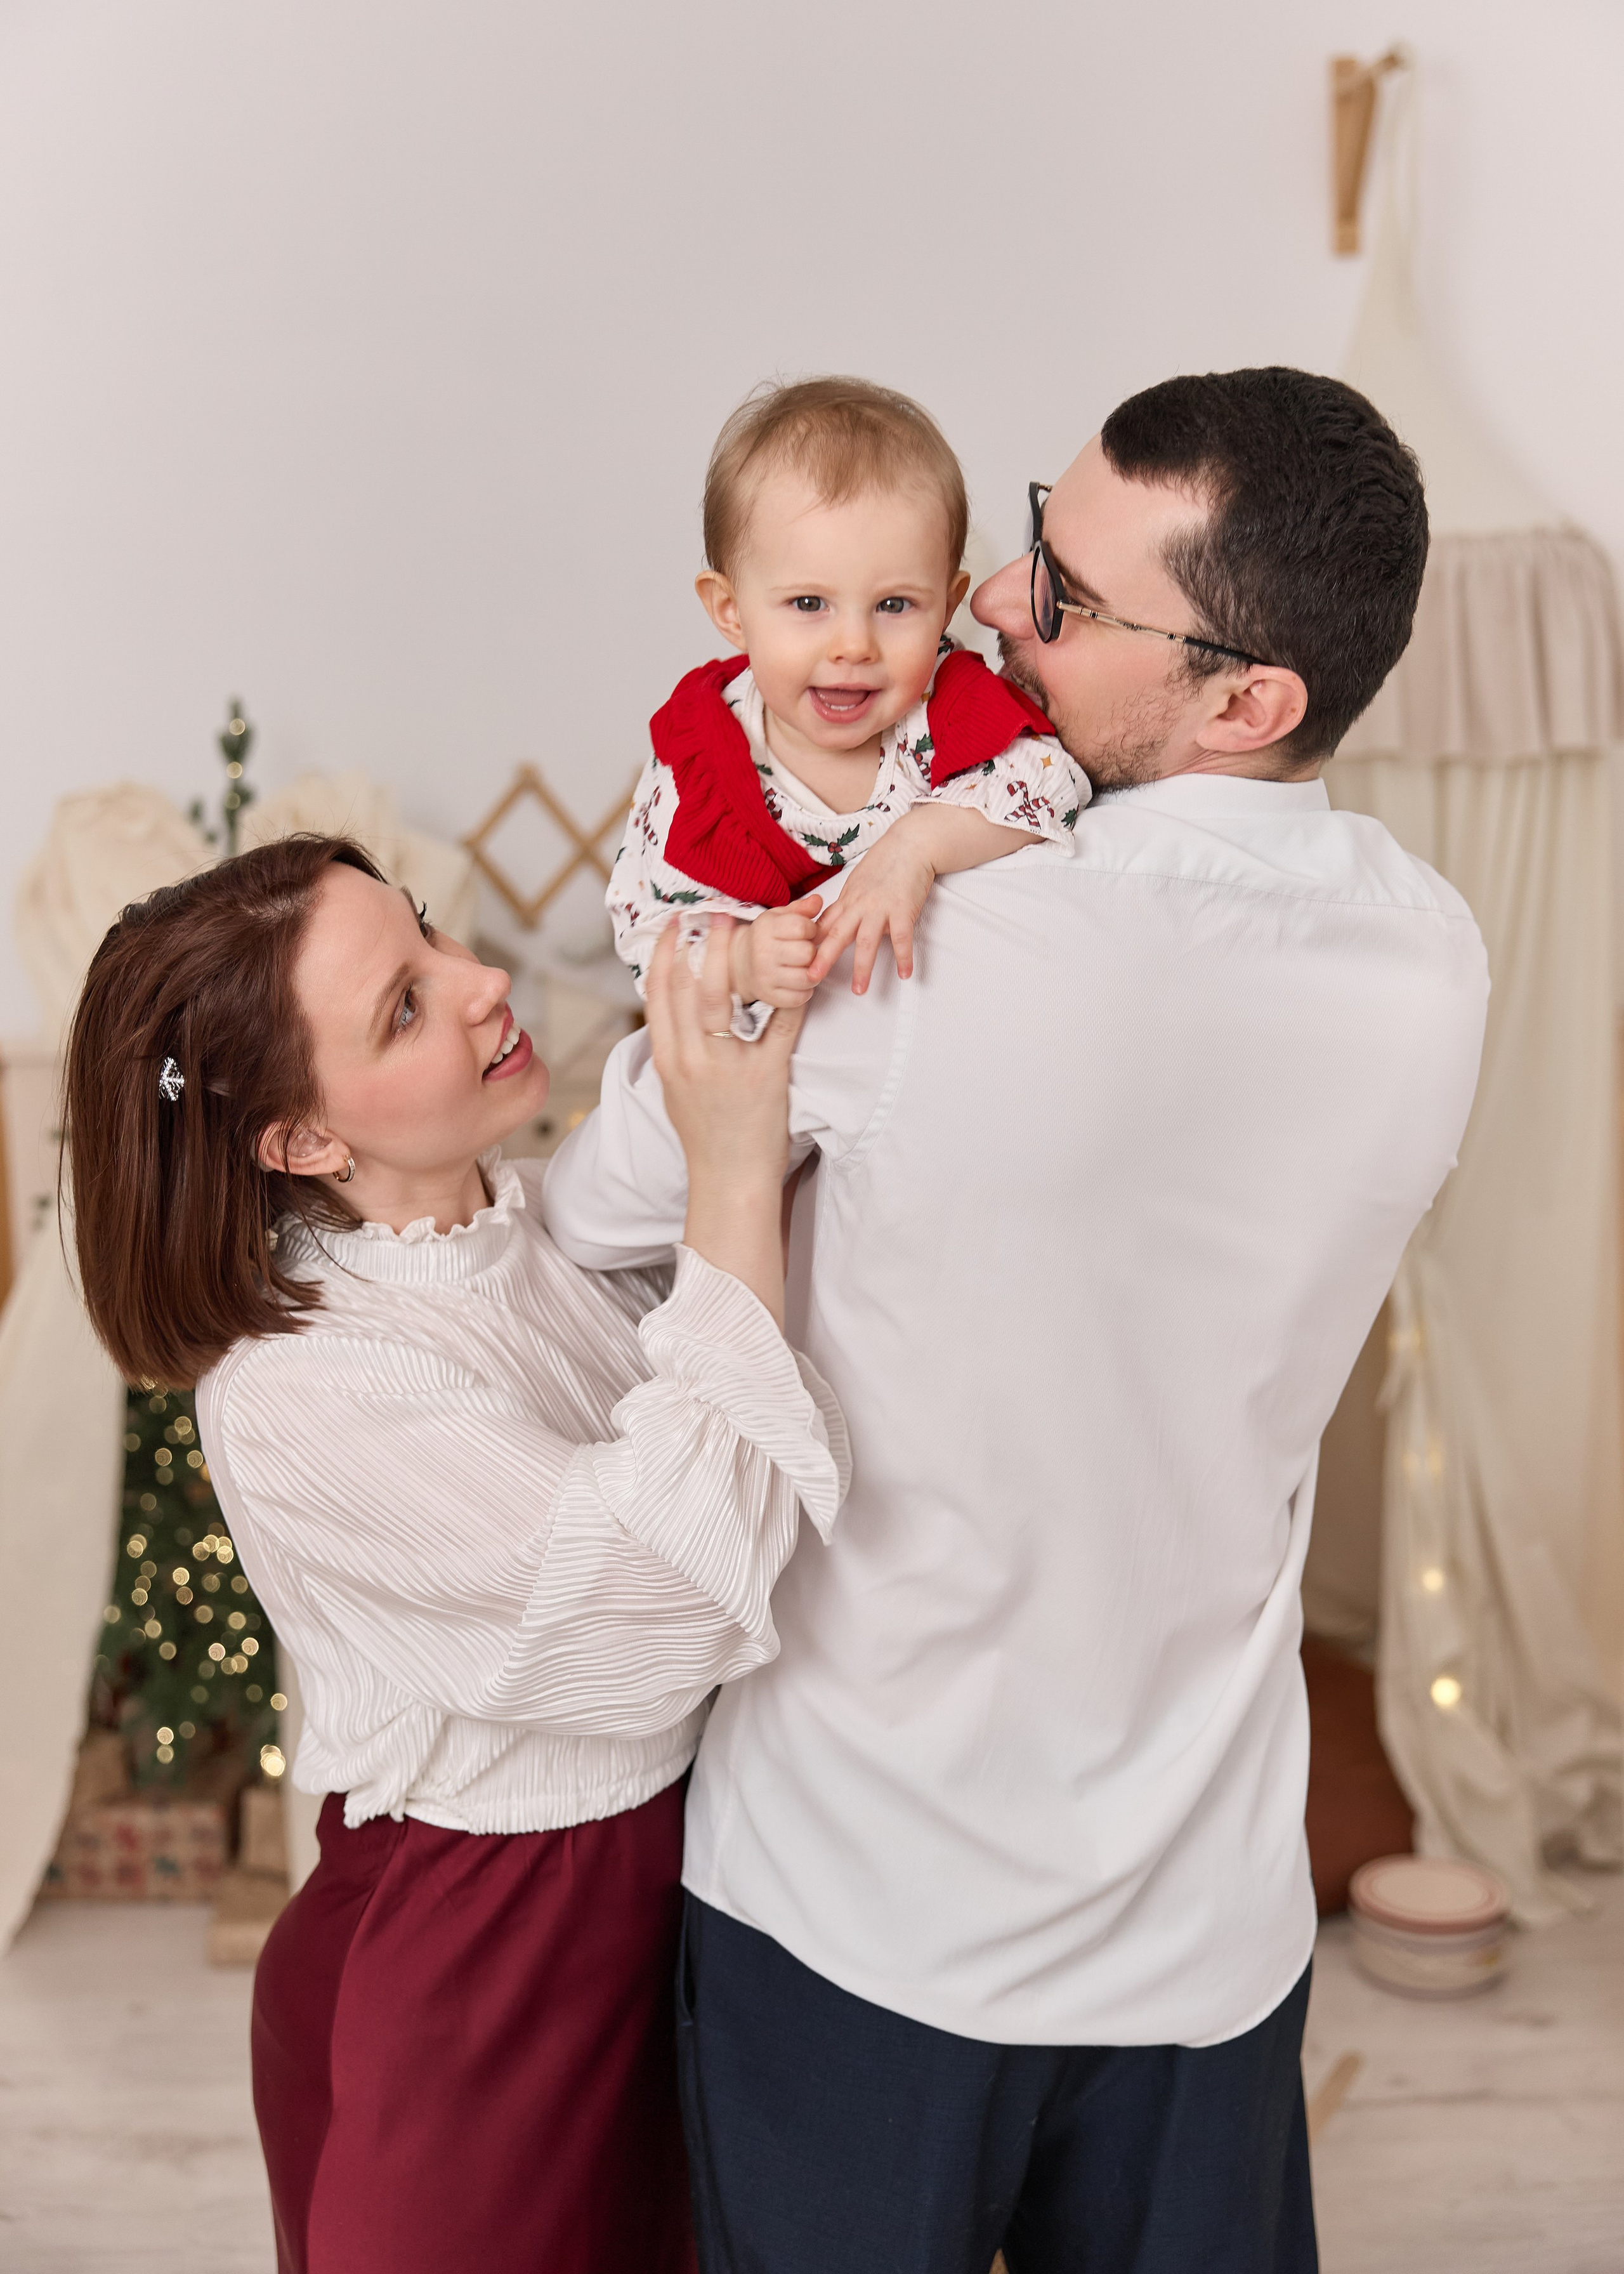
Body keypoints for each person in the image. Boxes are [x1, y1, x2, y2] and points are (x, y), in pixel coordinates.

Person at [542, 367, 1491, 2274]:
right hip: (1199, 1917)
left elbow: (596, 1210)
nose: (984, 602)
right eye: (1028, 538)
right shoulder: (1429, 954)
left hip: (862, 1889)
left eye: (1057, 593)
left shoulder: (919, 956)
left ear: (1246, 698)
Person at [62, 835, 847, 2274]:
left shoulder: (515, 1216)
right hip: (483, 1968)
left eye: (428, 937)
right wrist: (733, 1167)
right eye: (404, 1005)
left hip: (657, 1909)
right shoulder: (300, 1388)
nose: (485, 981)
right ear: (298, 1139)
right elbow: (668, 1602)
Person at [608, 374, 1089, 1028]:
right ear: (731, 611)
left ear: (946, 605)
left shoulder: (948, 705)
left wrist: (917, 846)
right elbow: (647, 936)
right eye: (809, 604)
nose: (854, 645)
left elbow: (1054, 779)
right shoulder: (700, 761)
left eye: (895, 605)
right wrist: (740, 960)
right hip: (783, 1074)